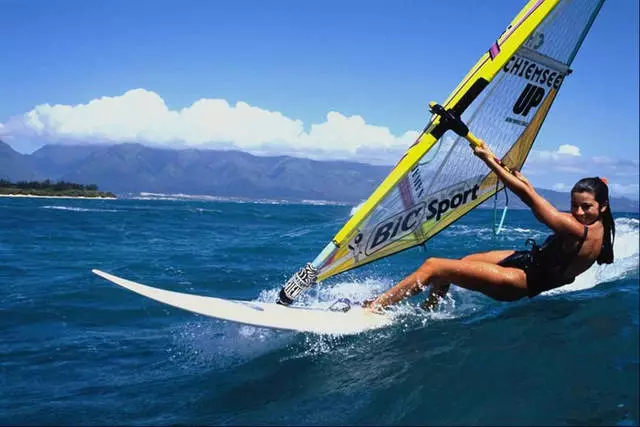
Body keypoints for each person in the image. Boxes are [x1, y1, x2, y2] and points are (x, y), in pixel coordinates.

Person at [364, 141, 615, 311]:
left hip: (522, 281)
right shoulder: (600, 227)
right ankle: (428, 309)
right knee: (462, 263)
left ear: (602, 206)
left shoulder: (577, 230)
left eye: (586, 207)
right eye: (574, 205)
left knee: (434, 266)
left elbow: (530, 200)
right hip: (530, 262)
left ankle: (375, 308)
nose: (578, 212)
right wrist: (524, 181)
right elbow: (535, 196)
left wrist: (488, 161)